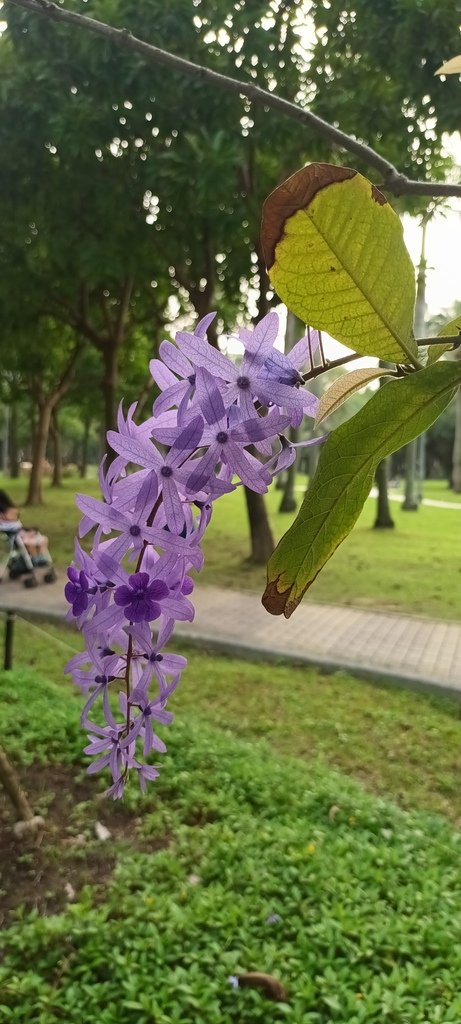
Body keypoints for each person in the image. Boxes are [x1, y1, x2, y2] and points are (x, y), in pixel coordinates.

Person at [0, 489, 49, 557]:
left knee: (44, 540)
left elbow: (16, 521)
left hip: (21, 533)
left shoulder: (10, 510)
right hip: (16, 537)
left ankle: (43, 560)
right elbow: (12, 521)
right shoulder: (7, 513)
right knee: (31, 544)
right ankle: (35, 560)